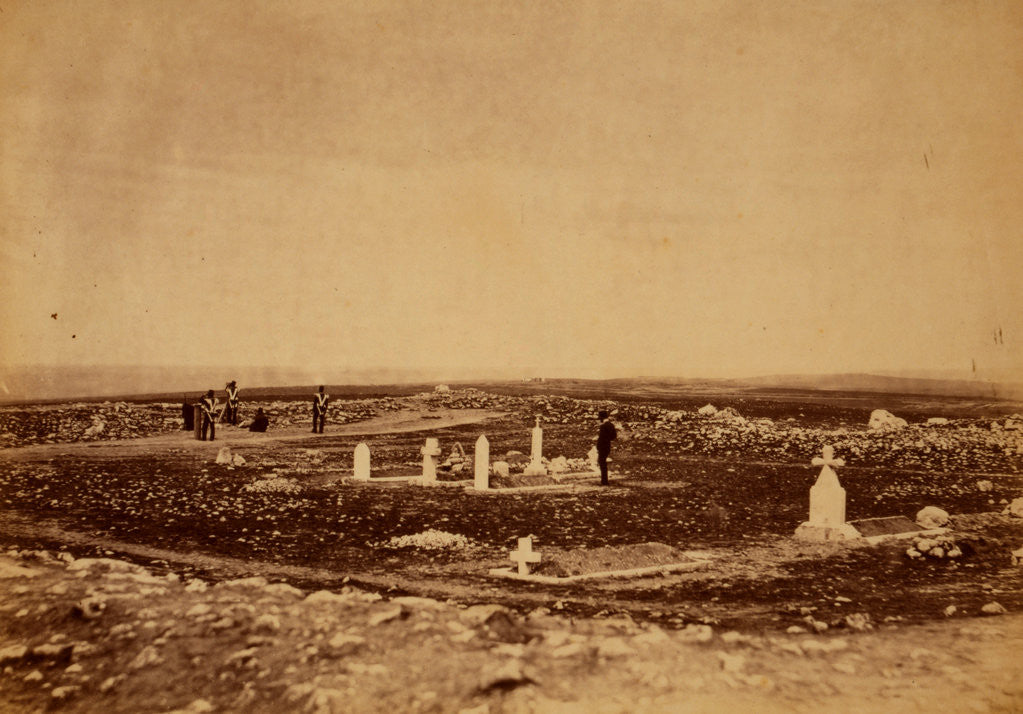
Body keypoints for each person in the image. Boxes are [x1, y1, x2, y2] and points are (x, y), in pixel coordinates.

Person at [596, 410, 617, 486]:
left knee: (602, 463)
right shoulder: (611, 425)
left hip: (603, 446)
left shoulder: (603, 426)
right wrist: (608, 439)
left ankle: (604, 481)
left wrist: (598, 446)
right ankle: (604, 480)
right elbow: (614, 436)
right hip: (607, 445)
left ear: (602, 418)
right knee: (603, 463)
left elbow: (601, 438)